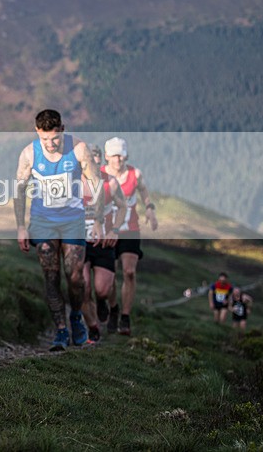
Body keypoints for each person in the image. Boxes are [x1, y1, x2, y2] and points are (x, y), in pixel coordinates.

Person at [14, 109, 103, 351]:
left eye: (54, 138)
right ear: (37, 133)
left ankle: (76, 315)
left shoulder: (78, 148)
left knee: (75, 277)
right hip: (43, 222)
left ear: (62, 130)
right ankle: (61, 330)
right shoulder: (30, 153)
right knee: (51, 276)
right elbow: (19, 191)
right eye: (45, 139)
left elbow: (96, 183)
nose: (50, 144)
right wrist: (21, 227)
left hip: (73, 220)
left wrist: (97, 220)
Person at [102, 136, 158, 336]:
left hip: (130, 229)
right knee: (109, 277)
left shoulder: (135, 174)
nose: (118, 160)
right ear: (107, 156)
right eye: (115, 156)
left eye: (122, 156)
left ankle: (125, 316)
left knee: (129, 272)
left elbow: (144, 191)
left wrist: (149, 208)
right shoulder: (99, 175)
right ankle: (114, 308)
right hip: (107, 230)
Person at [80, 144, 126, 343]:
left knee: (102, 289)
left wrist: (115, 230)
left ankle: (105, 303)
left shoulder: (111, 183)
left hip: (104, 241)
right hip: (79, 241)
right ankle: (93, 329)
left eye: (96, 163)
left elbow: (123, 207)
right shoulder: (72, 183)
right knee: (82, 287)